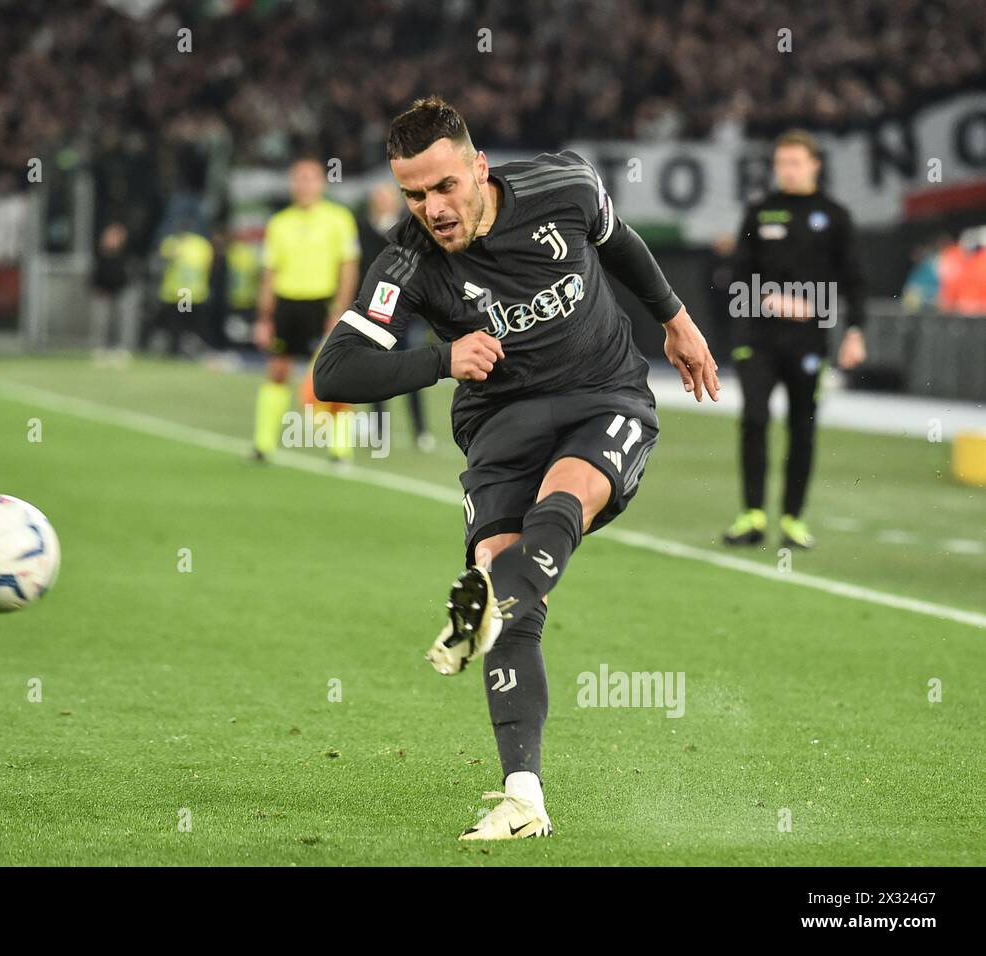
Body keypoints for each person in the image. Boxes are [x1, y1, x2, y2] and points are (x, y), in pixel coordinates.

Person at [313, 96, 718, 840]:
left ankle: (494, 594)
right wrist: (440, 359)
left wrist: (676, 319)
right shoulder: (406, 257)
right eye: (412, 193)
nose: (431, 208)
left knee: (564, 499)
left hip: (603, 395)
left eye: (444, 187)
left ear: (479, 168)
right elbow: (333, 372)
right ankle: (524, 799)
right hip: (500, 425)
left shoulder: (563, 186)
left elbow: (620, 241)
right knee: (516, 611)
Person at [722, 130, 867, 550]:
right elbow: (736, 274)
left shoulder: (834, 216)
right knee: (754, 419)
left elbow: (855, 279)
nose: (786, 170)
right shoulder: (760, 212)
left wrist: (854, 331)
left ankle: (792, 519)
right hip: (758, 337)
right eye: (781, 163)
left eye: (795, 162)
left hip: (808, 341)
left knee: (802, 426)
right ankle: (752, 514)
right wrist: (768, 299)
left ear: (814, 165)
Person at [252, 158, 360, 462]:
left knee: (335, 375)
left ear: (322, 183)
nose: (304, 185)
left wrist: (340, 309)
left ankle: (340, 449)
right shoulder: (279, 223)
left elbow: (348, 267)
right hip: (287, 304)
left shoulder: (339, 218)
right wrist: (264, 317)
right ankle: (263, 445)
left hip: (322, 303)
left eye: (310, 178)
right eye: (298, 179)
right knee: (277, 371)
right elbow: (269, 273)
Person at [360, 181, 434, 452]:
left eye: (387, 198)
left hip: (404, 310)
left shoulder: (408, 228)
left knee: (410, 370)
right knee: (374, 373)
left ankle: (420, 429)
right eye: (378, 198)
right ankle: (378, 430)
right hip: (374, 311)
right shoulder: (363, 229)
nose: (382, 203)